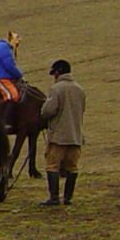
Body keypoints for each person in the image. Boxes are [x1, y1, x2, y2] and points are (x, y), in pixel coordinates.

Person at [40, 59, 86, 206]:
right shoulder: (80, 89)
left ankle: (54, 198)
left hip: (58, 136)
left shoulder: (56, 89)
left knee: (52, 165)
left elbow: (48, 111)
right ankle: (68, 198)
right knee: (72, 167)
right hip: (75, 135)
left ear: (58, 72)